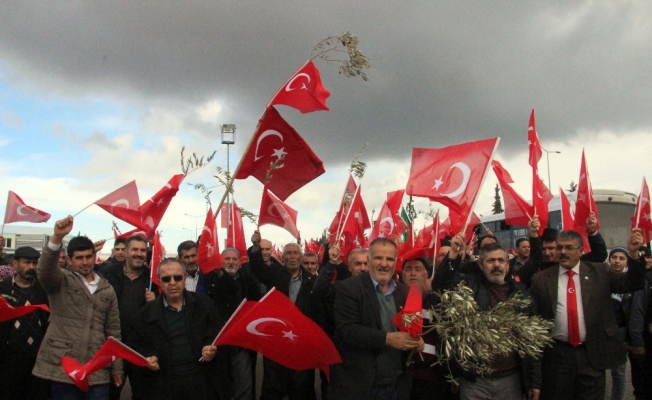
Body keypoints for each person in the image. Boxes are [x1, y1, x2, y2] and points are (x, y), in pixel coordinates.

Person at [529, 228, 645, 400]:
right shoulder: (541, 279)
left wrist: (634, 256)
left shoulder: (600, 272)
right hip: (557, 356)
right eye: (559, 247)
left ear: (581, 251)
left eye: (569, 248)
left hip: (591, 355)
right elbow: (535, 323)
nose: (563, 252)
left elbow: (632, 283)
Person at [434, 237, 541, 400]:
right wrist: (453, 254)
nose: (497, 265)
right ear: (480, 264)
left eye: (501, 260)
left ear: (507, 264)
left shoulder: (522, 296)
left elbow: (532, 342)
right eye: (491, 260)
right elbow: (441, 284)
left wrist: (534, 382)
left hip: (510, 380)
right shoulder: (468, 287)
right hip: (475, 381)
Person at [33, 216, 124, 399]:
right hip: (64, 368)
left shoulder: (106, 289)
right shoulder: (61, 281)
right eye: (79, 258)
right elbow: (44, 271)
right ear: (70, 259)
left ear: (94, 256)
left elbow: (113, 330)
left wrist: (117, 367)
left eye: (88, 256)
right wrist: (56, 238)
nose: (84, 262)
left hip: (97, 369)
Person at [330, 237, 424, 400]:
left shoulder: (404, 292)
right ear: (369, 259)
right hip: (361, 386)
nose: (384, 263)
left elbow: (408, 327)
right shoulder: (348, 288)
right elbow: (347, 330)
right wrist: (387, 339)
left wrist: (415, 341)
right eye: (379, 258)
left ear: (395, 262)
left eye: (389, 259)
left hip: (396, 384)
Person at [127, 258, 230, 400]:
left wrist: (211, 347)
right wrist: (148, 356)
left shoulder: (204, 304)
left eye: (177, 277)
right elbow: (135, 345)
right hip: (164, 385)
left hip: (202, 382)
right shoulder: (144, 314)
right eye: (166, 279)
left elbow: (220, 334)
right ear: (159, 281)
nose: (172, 283)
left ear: (184, 279)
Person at [249, 231, 317, 400]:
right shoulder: (274, 274)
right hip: (276, 338)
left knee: (301, 384)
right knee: (273, 384)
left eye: (295, 253)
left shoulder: (312, 281)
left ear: (300, 257)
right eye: (288, 253)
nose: (292, 256)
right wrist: (256, 248)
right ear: (283, 257)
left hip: (301, 340)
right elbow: (257, 267)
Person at [100, 235, 156, 400]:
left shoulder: (152, 278)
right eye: (135, 249)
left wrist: (156, 300)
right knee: (111, 392)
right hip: (114, 345)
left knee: (142, 393)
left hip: (141, 347)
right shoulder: (108, 274)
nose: (139, 254)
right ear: (125, 252)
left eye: (142, 250)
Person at [205, 248, 262, 400]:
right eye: (227, 259)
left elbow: (257, 300)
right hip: (218, 340)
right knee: (221, 383)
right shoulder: (210, 279)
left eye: (234, 259)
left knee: (243, 382)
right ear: (221, 261)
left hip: (241, 341)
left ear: (239, 262)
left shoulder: (247, 279)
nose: (231, 262)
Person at [0, 246, 50, 400]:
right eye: (27, 262)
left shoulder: (43, 290)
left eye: (35, 263)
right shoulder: (3, 289)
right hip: (9, 359)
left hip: (38, 359)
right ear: (15, 264)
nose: (31, 267)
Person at [607, 247, 633, 400]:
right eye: (614, 257)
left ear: (627, 262)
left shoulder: (629, 282)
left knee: (618, 372)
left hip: (620, 331)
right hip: (600, 330)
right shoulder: (601, 279)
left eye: (621, 258)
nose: (617, 261)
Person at [627, 245, 652, 400]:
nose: (647, 260)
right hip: (643, 342)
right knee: (643, 387)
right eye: (643, 258)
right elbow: (637, 312)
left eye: (648, 257)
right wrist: (637, 342)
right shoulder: (640, 280)